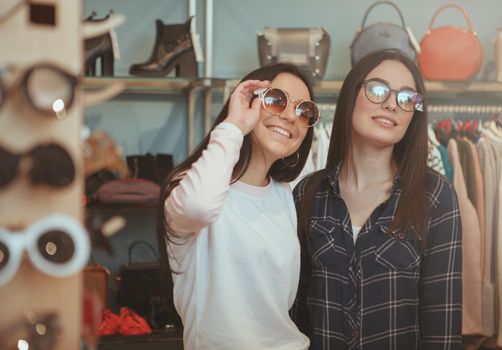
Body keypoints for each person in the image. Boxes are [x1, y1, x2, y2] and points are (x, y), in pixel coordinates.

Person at [291, 49, 462, 349]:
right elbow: (296, 316)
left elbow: (442, 326)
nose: (391, 104)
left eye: (407, 98)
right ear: (350, 94)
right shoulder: (308, 194)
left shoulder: (435, 195)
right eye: (378, 89)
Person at [157, 62, 319, 350]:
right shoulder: (190, 186)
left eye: (303, 111)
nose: (291, 117)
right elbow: (198, 207)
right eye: (277, 100)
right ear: (249, 103)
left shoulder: (285, 195)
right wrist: (233, 126)